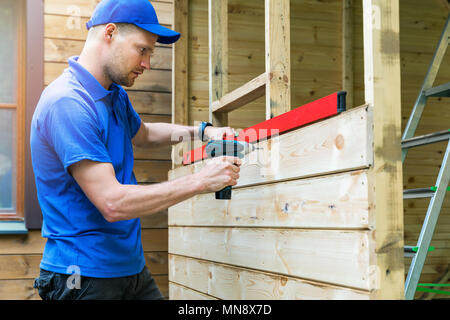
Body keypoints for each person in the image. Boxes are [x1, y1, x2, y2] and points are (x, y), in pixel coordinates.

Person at [30, 0, 241, 300]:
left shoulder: (112, 94)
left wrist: (204, 132)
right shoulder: (68, 103)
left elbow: (144, 134)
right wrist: (203, 180)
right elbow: (112, 202)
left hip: (130, 269)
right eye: (142, 50)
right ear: (110, 33)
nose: (147, 64)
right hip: (82, 276)